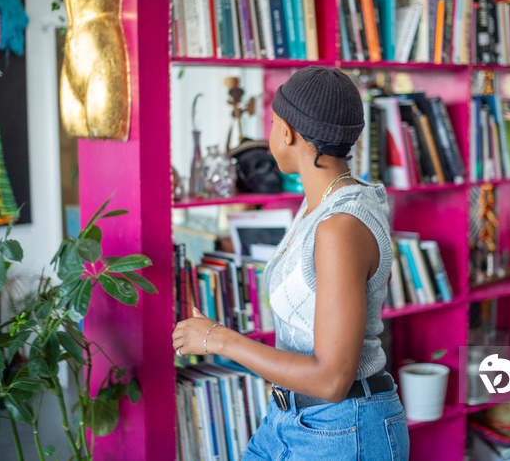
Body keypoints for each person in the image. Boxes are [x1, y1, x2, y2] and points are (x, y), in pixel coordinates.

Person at [172, 66, 409, 460]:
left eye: (272, 122)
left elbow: (332, 379)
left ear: (288, 133)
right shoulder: (322, 203)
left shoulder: (340, 226)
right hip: (290, 419)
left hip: (343, 430)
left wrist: (219, 339)